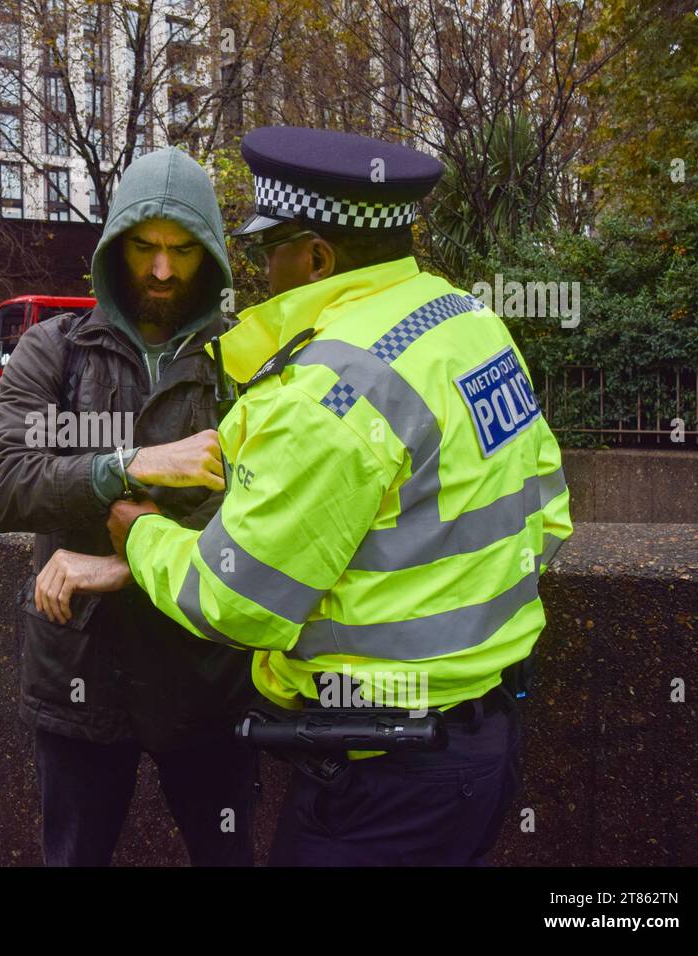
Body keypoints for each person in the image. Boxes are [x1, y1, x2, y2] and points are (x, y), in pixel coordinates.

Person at [107, 126, 574, 866]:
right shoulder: (467, 323)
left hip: (383, 777)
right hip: (484, 737)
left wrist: (138, 533)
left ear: (318, 255)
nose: (264, 270)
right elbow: (547, 510)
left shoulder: (332, 387)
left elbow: (238, 600)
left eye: (271, 250)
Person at [0, 147, 257, 866]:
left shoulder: (245, 362)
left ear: (213, 255)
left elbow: (269, 508)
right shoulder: (55, 350)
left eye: (183, 250)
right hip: (78, 679)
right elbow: (3, 482)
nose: (162, 271)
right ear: (112, 245)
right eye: (143, 247)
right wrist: (121, 465)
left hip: (207, 682)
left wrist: (127, 557)